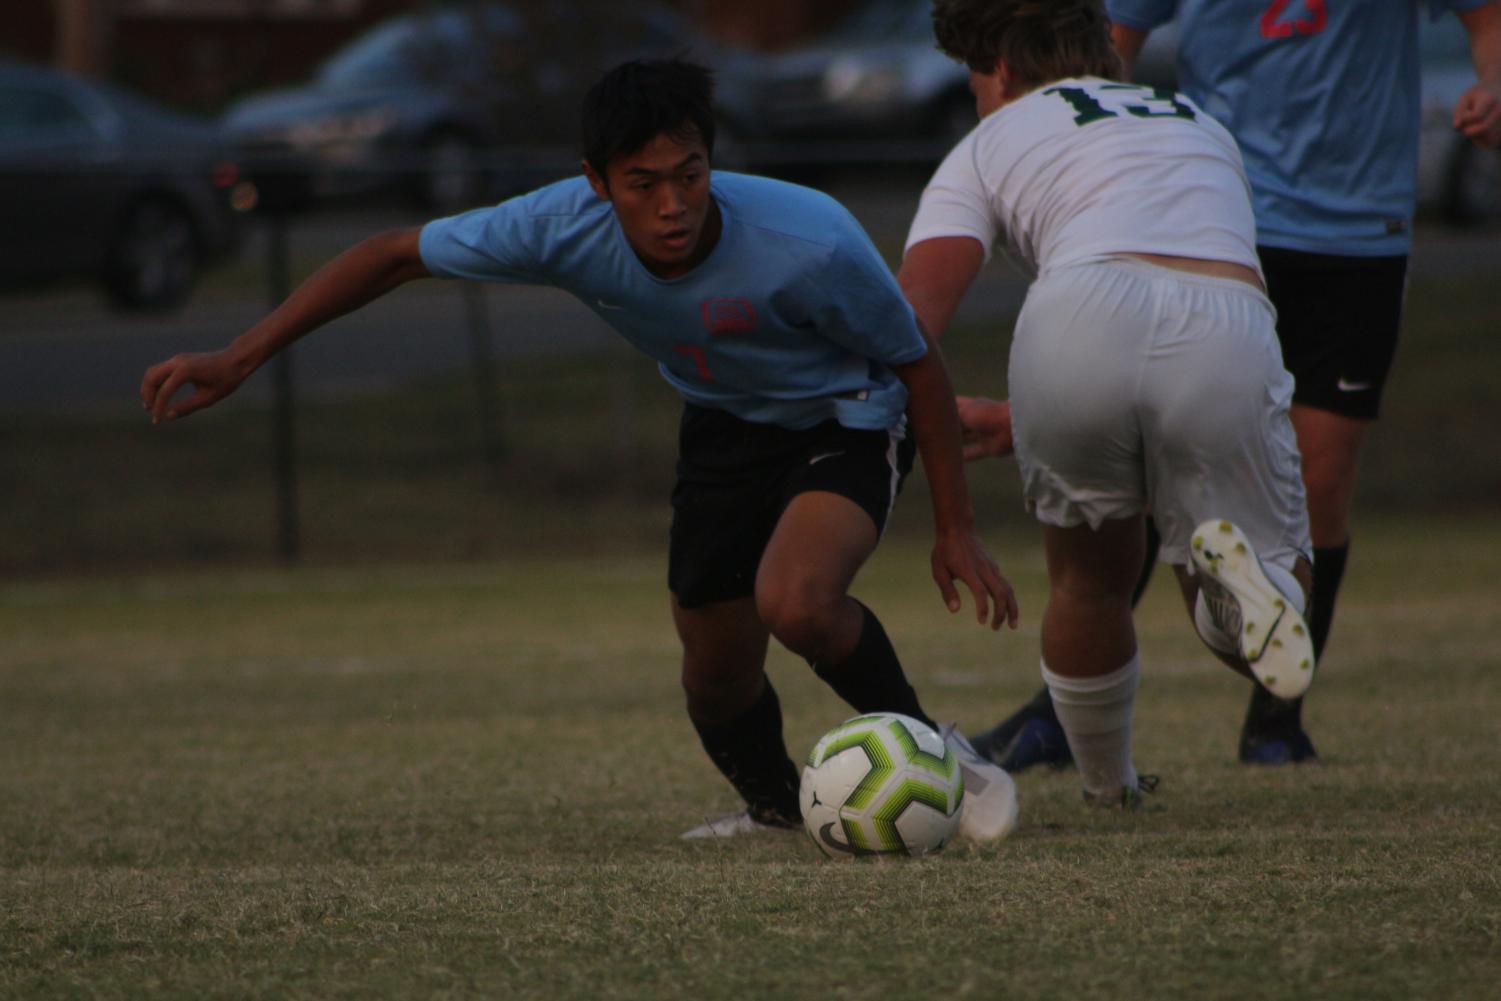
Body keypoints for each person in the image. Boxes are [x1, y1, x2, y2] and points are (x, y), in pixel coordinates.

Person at [139, 59, 1021, 841]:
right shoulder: (555, 225)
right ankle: (776, 811)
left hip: (848, 416)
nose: (672, 205)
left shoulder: (810, 236)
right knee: (714, 676)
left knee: (794, 601)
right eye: (643, 183)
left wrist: (954, 525)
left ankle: (936, 758)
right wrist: (239, 354)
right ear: (595, 182)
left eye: (691, 175)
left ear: (713, 163)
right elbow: (388, 255)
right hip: (722, 425)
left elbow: (915, 360)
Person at [972, 0, 1501, 770]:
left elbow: (1483, 14)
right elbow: (1105, 51)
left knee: (1318, 480)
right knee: (1148, 463)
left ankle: (1275, 721)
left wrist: (1492, 81)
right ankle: (1063, 709)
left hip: (1356, 229)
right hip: (1208, 217)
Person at [897, 0, 1317, 808]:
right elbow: (1171, 272)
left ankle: (1107, 784)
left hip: (1075, 313)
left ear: (1005, 72)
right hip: (1221, 316)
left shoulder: (988, 139)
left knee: (1086, 580)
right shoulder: (1197, 121)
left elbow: (911, 317)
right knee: (1270, 596)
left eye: (975, 76)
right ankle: (1238, 596)